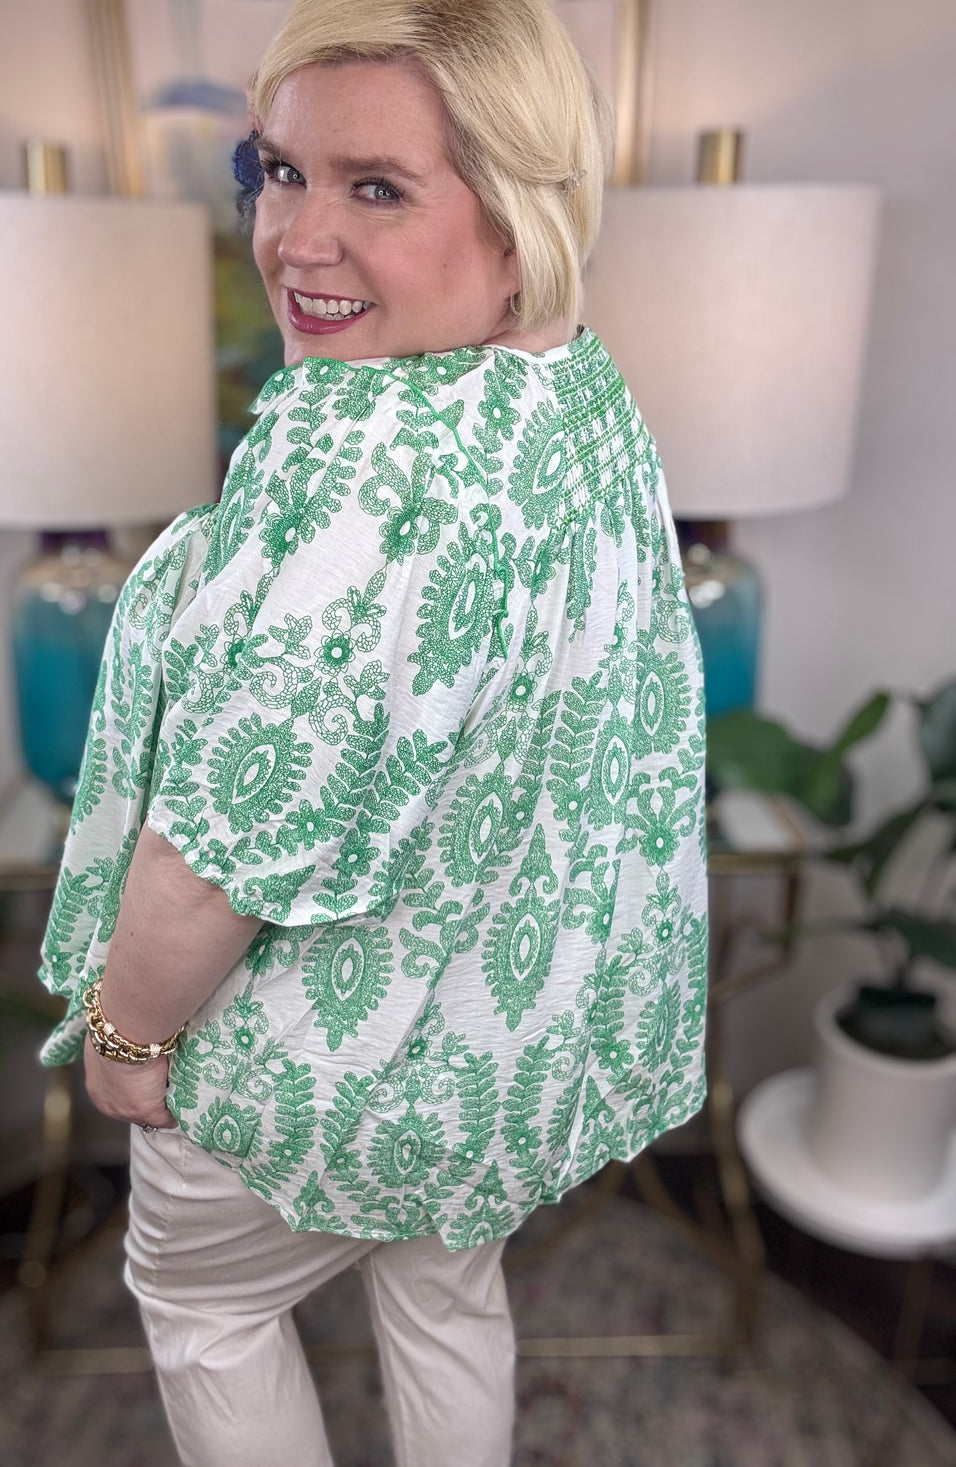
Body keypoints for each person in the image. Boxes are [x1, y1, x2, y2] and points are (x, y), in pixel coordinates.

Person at [38, 0, 707, 1462]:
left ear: (521, 222)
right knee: (447, 1282)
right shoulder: (571, 390)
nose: (294, 236)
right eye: (278, 171)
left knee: (199, 1303)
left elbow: (222, 840)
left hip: (314, 1051)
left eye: (378, 188)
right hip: (479, 1041)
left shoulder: (359, 461)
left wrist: (126, 1034)